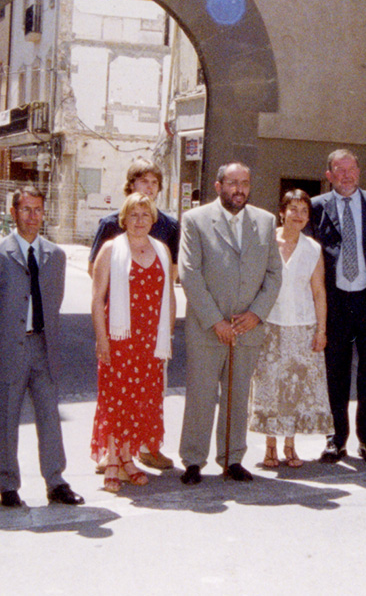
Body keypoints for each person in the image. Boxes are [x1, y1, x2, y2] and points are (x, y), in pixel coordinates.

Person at [0, 186, 84, 507]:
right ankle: (7, 484)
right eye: (25, 209)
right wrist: (1, 337)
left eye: (37, 210)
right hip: (7, 349)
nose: (32, 216)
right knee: (6, 419)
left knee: (50, 418)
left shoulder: (55, 256)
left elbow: (54, 302)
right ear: (13, 212)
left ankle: (56, 482)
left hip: (43, 348)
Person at [178, 163, 281, 485]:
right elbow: (189, 273)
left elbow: (274, 274)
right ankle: (193, 460)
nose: (239, 189)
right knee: (201, 396)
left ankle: (232, 458)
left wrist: (256, 314)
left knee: (238, 397)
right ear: (218, 185)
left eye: (245, 183)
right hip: (207, 328)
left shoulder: (265, 221)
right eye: (233, 182)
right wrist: (215, 321)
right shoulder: (195, 220)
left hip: (247, 327)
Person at [88, 157, 180, 472]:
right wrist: (105, 331)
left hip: (151, 334)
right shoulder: (110, 230)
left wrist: (167, 334)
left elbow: (169, 287)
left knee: (148, 394)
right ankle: (113, 454)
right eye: (143, 181)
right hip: (121, 329)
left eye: (154, 183)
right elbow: (96, 283)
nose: (149, 188)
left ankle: (143, 448)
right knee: (117, 393)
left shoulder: (168, 230)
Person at [310, 149, 366, 464]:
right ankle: (335, 438)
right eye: (339, 170)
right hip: (334, 303)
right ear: (329, 175)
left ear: (359, 171)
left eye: (351, 169)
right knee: (335, 372)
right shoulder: (316, 207)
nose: (346, 176)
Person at [248, 190, 333, 468]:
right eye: (293, 209)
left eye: (304, 211)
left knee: (294, 389)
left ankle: (290, 445)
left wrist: (321, 330)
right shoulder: (266, 241)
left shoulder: (313, 248)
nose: (298, 215)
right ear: (282, 212)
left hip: (302, 326)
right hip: (269, 324)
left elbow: (318, 292)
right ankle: (270, 446)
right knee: (269, 385)